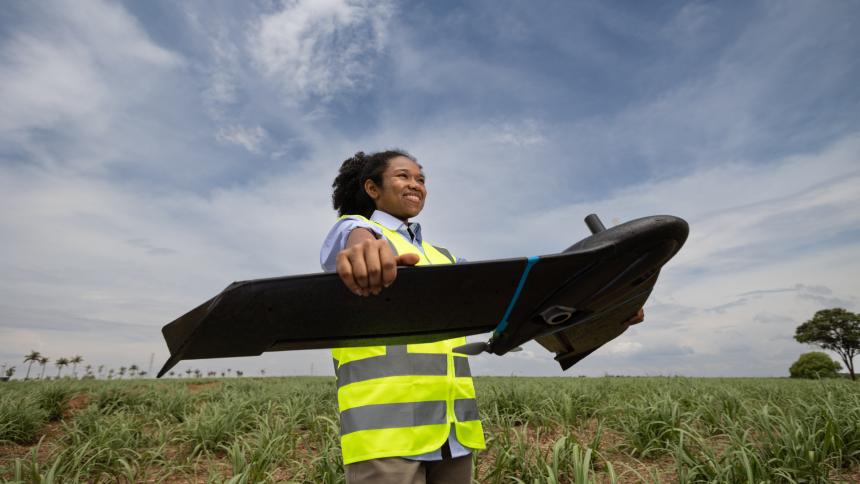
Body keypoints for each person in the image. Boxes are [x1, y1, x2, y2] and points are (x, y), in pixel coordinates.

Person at [320, 150, 483, 484]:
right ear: (372, 188)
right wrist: (361, 239)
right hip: (386, 440)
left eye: (420, 178)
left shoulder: (443, 257)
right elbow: (351, 237)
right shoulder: (355, 234)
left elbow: (504, 295)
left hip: (454, 433)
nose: (415, 184)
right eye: (403, 175)